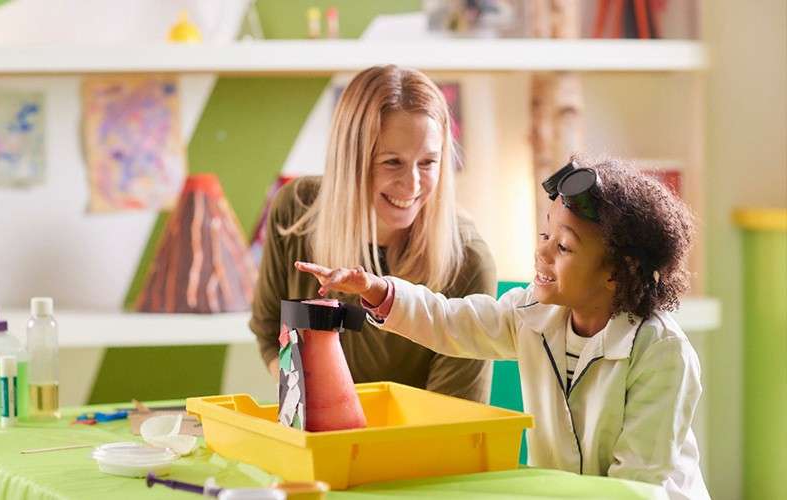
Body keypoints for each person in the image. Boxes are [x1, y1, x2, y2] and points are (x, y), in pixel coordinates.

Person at [297, 157, 710, 500]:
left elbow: (635, 484)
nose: (543, 251)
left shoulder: (660, 352)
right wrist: (377, 288)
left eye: (563, 246)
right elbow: (450, 321)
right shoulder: (533, 312)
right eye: (546, 234)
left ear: (618, 274)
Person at [249, 65, 496, 403]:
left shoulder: (468, 261)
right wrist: (308, 400)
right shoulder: (295, 210)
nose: (412, 184)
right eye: (392, 162)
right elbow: (268, 328)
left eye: (427, 163)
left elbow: (452, 418)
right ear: (350, 161)